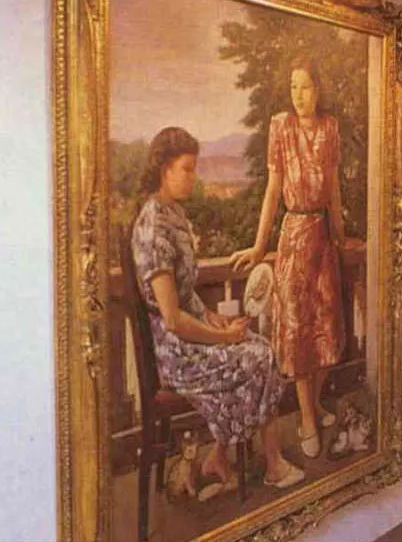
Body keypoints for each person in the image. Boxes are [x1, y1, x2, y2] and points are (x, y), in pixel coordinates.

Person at [132, 127, 304, 491]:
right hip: (176, 353)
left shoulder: (174, 214)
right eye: (186, 169)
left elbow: (187, 296)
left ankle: (220, 457)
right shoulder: (152, 228)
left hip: (189, 338)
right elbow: (173, 319)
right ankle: (270, 464)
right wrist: (223, 337)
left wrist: (216, 319)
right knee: (258, 355)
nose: (193, 177)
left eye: (194, 169)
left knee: (258, 345)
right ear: (164, 168)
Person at [232, 61, 344, 459]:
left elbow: (333, 187)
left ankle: (313, 404)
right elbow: (273, 189)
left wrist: (341, 234)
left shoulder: (330, 128)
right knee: (297, 330)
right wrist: (259, 246)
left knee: (327, 326)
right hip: (294, 237)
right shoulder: (281, 127)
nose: (299, 95)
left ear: (318, 89)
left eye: (306, 87)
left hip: (322, 237)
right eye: (294, 87)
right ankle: (307, 418)